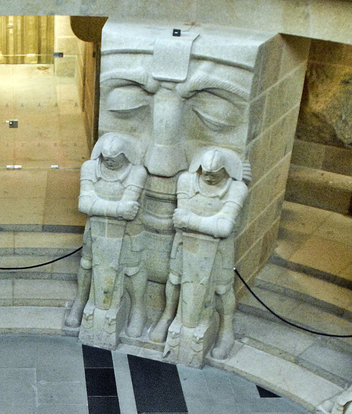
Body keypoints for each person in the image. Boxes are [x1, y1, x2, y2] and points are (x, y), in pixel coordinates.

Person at [151, 147, 248, 362]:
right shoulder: (186, 181)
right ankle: (168, 315)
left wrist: (192, 221)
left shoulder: (237, 188)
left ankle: (226, 329)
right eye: (206, 173)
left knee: (222, 288)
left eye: (215, 175)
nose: (209, 178)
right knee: (175, 280)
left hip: (220, 249)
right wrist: (209, 223)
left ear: (226, 171)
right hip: (185, 243)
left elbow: (224, 227)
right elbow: (179, 218)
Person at [67, 133, 146, 344]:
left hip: (129, 232)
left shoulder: (137, 172)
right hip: (97, 230)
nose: (109, 162)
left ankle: (138, 308)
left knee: (133, 269)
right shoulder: (90, 168)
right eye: (106, 158)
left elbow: (130, 208)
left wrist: (100, 206)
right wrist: (117, 208)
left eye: (115, 159)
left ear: (125, 156)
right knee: (87, 263)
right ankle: (81, 300)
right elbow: (84, 204)